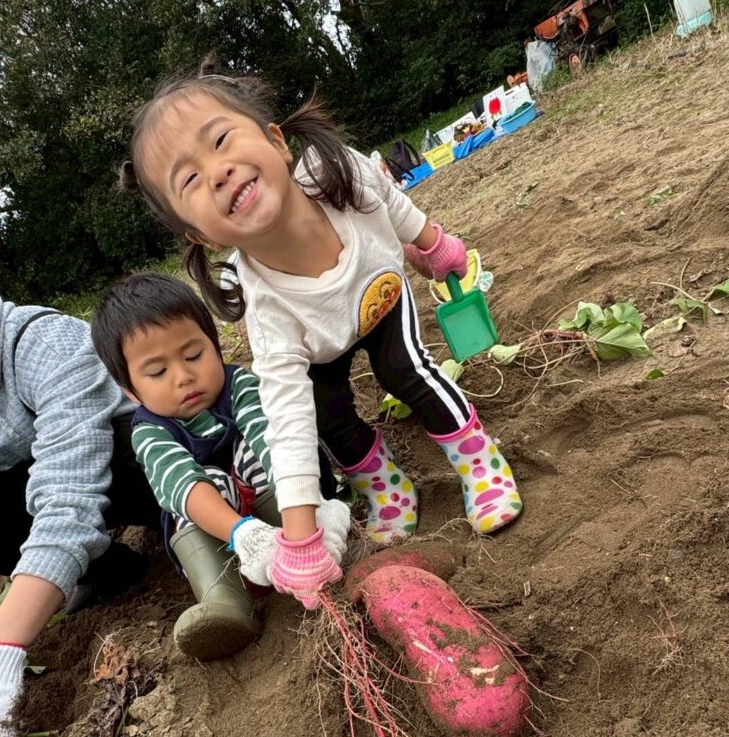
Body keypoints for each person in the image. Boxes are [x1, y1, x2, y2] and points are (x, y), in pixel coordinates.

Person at [117, 61, 523, 611]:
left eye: (221, 140)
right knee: (327, 418)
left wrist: (432, 243)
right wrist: (302, 538)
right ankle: (384, 483)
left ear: (276, 141)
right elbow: (286, 422)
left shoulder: (340, 175)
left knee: (407, 372)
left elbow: (392, 202)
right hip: (316, 344)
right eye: (189, 180)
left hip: (378, 294)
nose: (216, 172)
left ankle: (478, 460)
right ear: (200, 235)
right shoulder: (265, 309)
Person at [91, 273, 350, 657]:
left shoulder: (240, 385)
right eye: (158, 372)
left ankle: (312, 541)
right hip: (225, 536)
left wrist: (308, 517)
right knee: (197, 492)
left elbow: (271, 439)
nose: (184, 376)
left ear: (214, 345)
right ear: (130, 390)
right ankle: (228, 605)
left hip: (287, 509)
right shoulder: (148, 431)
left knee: (256, 452)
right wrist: (244, 535)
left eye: (194, 355)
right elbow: (181, 483)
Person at [0, 290, 161, 737]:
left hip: (130, 462)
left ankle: (186, 522)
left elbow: (69, 493)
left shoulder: (38, 342)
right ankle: (107, 570)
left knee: (152, 465)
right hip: (49, 483)